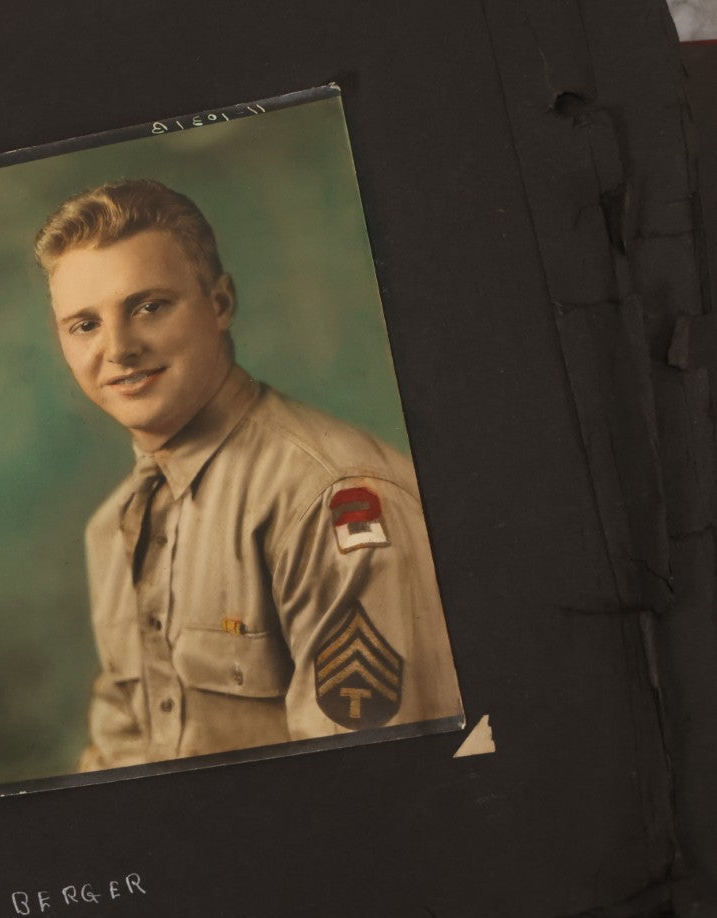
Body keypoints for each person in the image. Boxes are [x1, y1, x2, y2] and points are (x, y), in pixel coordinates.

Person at [35, 180, 461, 771]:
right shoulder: (112, 529)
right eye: (84, 324)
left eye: (148, 307)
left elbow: (372, 784)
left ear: (220, 304)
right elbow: (118, 763)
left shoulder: (331, 496)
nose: (119, 348)